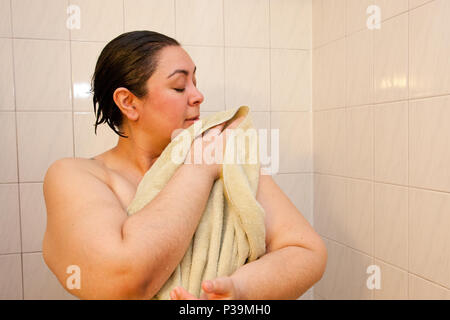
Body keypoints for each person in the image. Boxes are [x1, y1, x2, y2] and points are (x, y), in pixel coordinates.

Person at [42, 31, 327, 300]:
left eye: (195, 82)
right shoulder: (75, 176)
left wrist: (239, 291)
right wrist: (198, 169)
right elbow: (120, 278)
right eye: (179, 86)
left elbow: (306, 251)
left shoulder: (220, 152)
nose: (198, 95)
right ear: (128, 103)